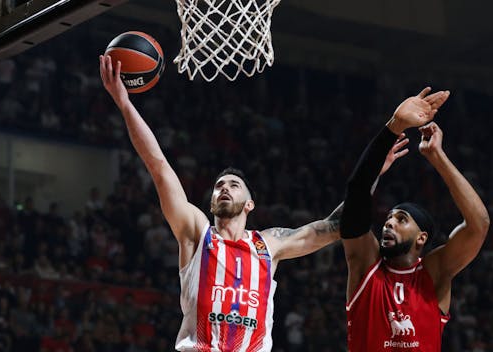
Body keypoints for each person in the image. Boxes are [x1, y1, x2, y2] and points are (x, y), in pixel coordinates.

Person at [99, 54, 445, 351]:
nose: (223, 188)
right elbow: (159, 167)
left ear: (250, 204)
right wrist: (125, 104)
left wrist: (375, 172)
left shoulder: (270, 244)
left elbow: (340, 223)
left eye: (234, 185)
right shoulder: (195, 232)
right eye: (218, 185)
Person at [339, 88, 490, 351]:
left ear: (421, 238)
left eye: (401, 219)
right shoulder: (366, 265)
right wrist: (394, 126)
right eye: (388, 218)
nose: (389, 223)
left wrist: (437, 157)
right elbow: (357, 193)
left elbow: (479, 225)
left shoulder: (434, 274)